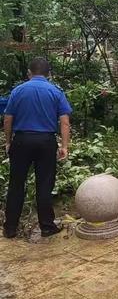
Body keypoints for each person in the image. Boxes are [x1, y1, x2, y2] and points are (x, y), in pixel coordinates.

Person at [3, 57, 72, 238]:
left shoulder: (18, 91)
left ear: (29, 73)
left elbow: (8, 118)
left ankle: (10, 228)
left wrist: (8, 141)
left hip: (22, 140)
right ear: (48, 74)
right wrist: (64, 146)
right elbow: (64, 122)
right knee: (44, 184)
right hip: (45, 142)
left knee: (16, 184)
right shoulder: (56, 91)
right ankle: (47, 227)